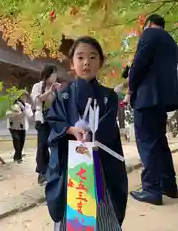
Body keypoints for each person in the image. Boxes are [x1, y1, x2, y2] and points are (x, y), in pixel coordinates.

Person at [45, 36, 128, 230]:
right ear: (72, 63)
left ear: (100, 62)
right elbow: (55, 121)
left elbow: (108, 129)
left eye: (92, 57)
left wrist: (93, 135)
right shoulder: (62, 95)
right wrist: (71, 129)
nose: (86, 62)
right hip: (71, 167)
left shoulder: (109, 97)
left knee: (102, 209)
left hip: (100, 164)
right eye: (80, 57)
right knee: (73, 210)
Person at [128, 14, 178, 205]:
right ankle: (169, 185)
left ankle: (151, 189)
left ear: (148, 23)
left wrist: (131, 86)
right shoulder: (171, 42)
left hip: (147, 97)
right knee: (160, 142)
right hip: (164, 100)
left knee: (147, 143)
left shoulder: (149, 34)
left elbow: (139, 64)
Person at [30, 65, 61, 185]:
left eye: (56, 74)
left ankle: (54, 170)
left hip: (54, 120)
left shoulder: (57, 87)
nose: (55, 76)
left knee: (55, 144)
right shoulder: (37, 86)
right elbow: (37, 100)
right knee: (42, 145)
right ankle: (42, 173)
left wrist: (60, 92)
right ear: (47, 75)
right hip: (42, 120)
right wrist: (50, 91)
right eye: (53, 73)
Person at [6, 90, 33, 163]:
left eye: (25, 96)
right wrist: (16, 113)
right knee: (16, 139)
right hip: (13, 126)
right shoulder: (12, 104)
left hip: (22, 126)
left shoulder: (27, 106)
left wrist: (23, 108)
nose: (24, 97)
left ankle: (17, 156)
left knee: (21, 142)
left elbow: (29, 115)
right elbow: (7, 114)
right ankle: (19, 158)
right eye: (22, 95)